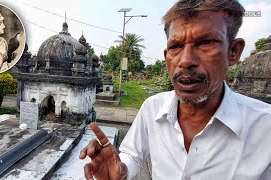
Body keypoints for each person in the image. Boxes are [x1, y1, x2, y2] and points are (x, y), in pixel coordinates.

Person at [79, 0, 271, 179]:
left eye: (205, 42)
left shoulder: (265, 128)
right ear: (166, 55)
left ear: (233, 51)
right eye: (176, 46)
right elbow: (133, 155)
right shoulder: (152, 108)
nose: (185, 60)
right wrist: (121, 170)